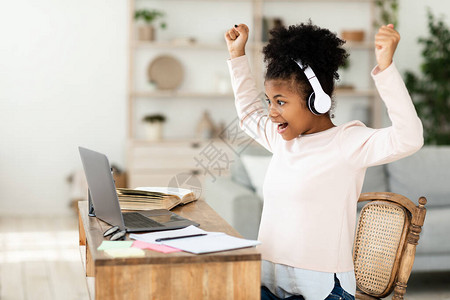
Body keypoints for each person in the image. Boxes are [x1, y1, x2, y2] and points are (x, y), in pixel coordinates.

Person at [224, 21, 423, 300]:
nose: (271, 112)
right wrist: (237, 56)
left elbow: (409, 138)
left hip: (321, 290)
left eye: (280, 102)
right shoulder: (283, 141)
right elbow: (247, 114)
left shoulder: (347, 142)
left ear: (317, 101)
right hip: (268, 282)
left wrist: (386, 69)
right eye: (268, 101)